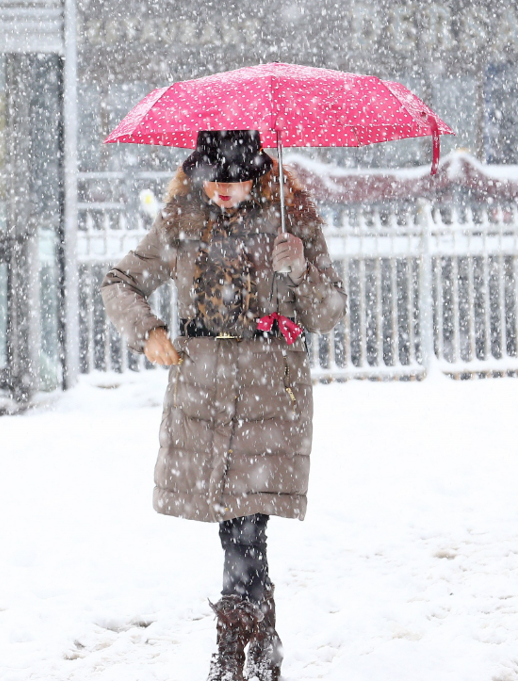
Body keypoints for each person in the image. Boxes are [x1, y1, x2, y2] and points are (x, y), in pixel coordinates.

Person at [101, 129, 347, 681]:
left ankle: (231, 650)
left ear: (257, 173)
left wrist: (299, 269)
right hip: (204, 397)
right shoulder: (182, 220)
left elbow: (329, 312)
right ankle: (263, 642)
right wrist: (148, 331)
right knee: (237, 524)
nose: (223, 190)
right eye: (213, 180)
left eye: (235, 179)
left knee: (245, 524)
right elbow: (120, 281)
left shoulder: (289, 217)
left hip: (269, 395)